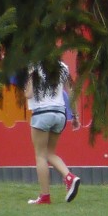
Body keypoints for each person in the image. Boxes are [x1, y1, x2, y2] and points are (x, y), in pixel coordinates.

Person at [23, 62, 81, 206]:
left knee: (40, 155)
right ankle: (69, 177)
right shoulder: (63, 67)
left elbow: (28, 94)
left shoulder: (35, 66)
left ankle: (45, 196)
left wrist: (30, 75)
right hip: (60, 113)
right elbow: (71, 91)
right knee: (50, 153)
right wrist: (75, 115)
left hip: (42, 113)